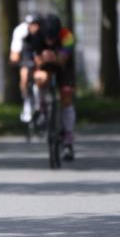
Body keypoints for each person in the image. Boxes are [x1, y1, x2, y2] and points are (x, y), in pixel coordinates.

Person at [24, 14, 77, 160]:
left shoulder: (67, 36)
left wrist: (55, 57)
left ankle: (68, 138)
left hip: (64, 66)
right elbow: (36, 59)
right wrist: (42, 59)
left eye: (53, 38)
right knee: (41, 78)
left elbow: (64, 59)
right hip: (45, 66)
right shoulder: (36, 36)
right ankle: (42, 108)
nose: (50, 41)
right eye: (48, 38)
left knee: (66, 96)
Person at [9, 13, 42, 122]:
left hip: (41, 50)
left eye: (36, 24)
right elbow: (15, 52)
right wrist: (15, 60)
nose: (34, 27)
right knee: (24, 78)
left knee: (40, 77)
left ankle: (41, 106)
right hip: (27, 52)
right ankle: (27, 103)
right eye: (31, 24)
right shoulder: (20, 31)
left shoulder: (43, 31)